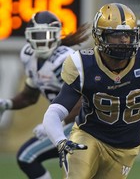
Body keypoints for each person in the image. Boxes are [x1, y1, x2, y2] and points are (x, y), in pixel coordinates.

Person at [42, 3, 140, 179]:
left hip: (126, 147)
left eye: (128, 35)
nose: (124, 40)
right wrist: (60, 141)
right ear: (99, 37)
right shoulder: (82, 64)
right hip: (89, 136)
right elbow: (54, 112)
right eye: (116, 35)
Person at [0, 10, 89, 179]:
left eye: (46, 34)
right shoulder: (29, 57)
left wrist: (57, 122)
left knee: (27, 156)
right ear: (28, 36)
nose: (42, 40)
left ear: (56, 35)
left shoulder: (63, 59)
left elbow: (81, 100)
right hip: (67, 122)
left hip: (82, 122)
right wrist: (7, 103)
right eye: (37, 35)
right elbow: (29, 96)